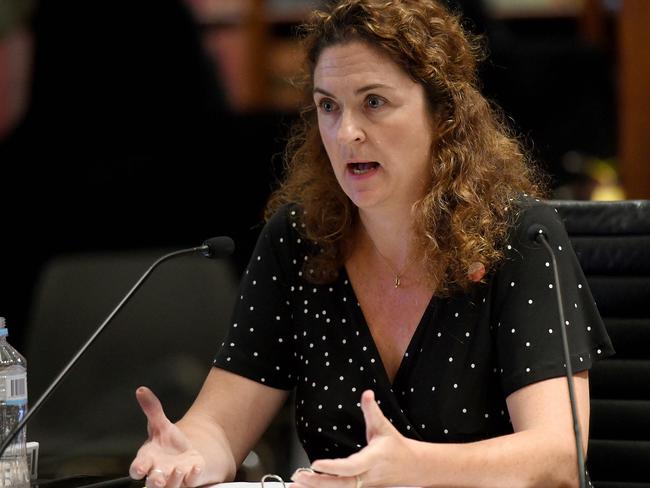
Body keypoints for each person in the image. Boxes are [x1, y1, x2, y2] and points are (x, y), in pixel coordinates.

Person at [129, 0, 614, 486]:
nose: (347, 133)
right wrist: (188, 451)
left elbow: (558, 456)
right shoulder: (299, 240)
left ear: (443, 113)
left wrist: (415, 469)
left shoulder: (520, 238)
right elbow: (219, 425)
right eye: (328, 106)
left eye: (374, 102)